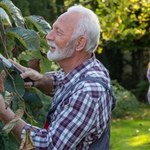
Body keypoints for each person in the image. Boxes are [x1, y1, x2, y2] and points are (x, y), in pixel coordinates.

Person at [0, 5, 115, 149]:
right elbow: (64, 82)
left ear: (80, 43)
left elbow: (48, 146)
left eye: (58, 32)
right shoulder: (90, 69)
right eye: (53, 28)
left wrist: (3, 111)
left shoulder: (89, 91)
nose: (48, 36)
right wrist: (41, 80)